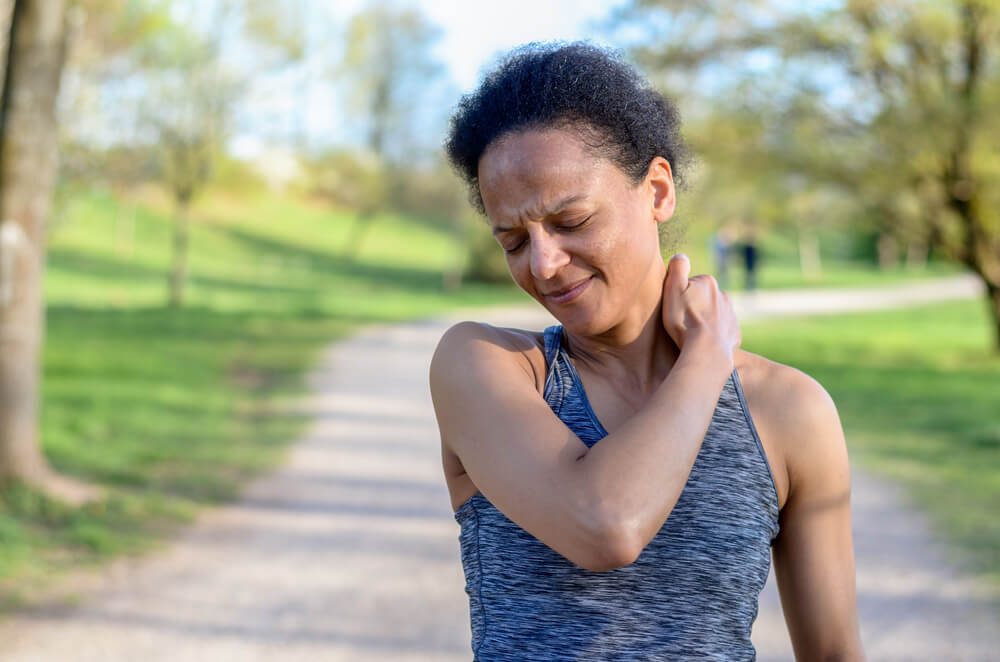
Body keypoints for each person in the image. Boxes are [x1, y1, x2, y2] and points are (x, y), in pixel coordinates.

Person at [431, 42, 863, 661]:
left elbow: (834, 653)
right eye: (513, 241)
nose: (544, 263)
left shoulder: (789, 412)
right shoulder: (483, 366)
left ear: (657, 191)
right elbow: (606, 526)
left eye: (571, 221)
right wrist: (707, 358)